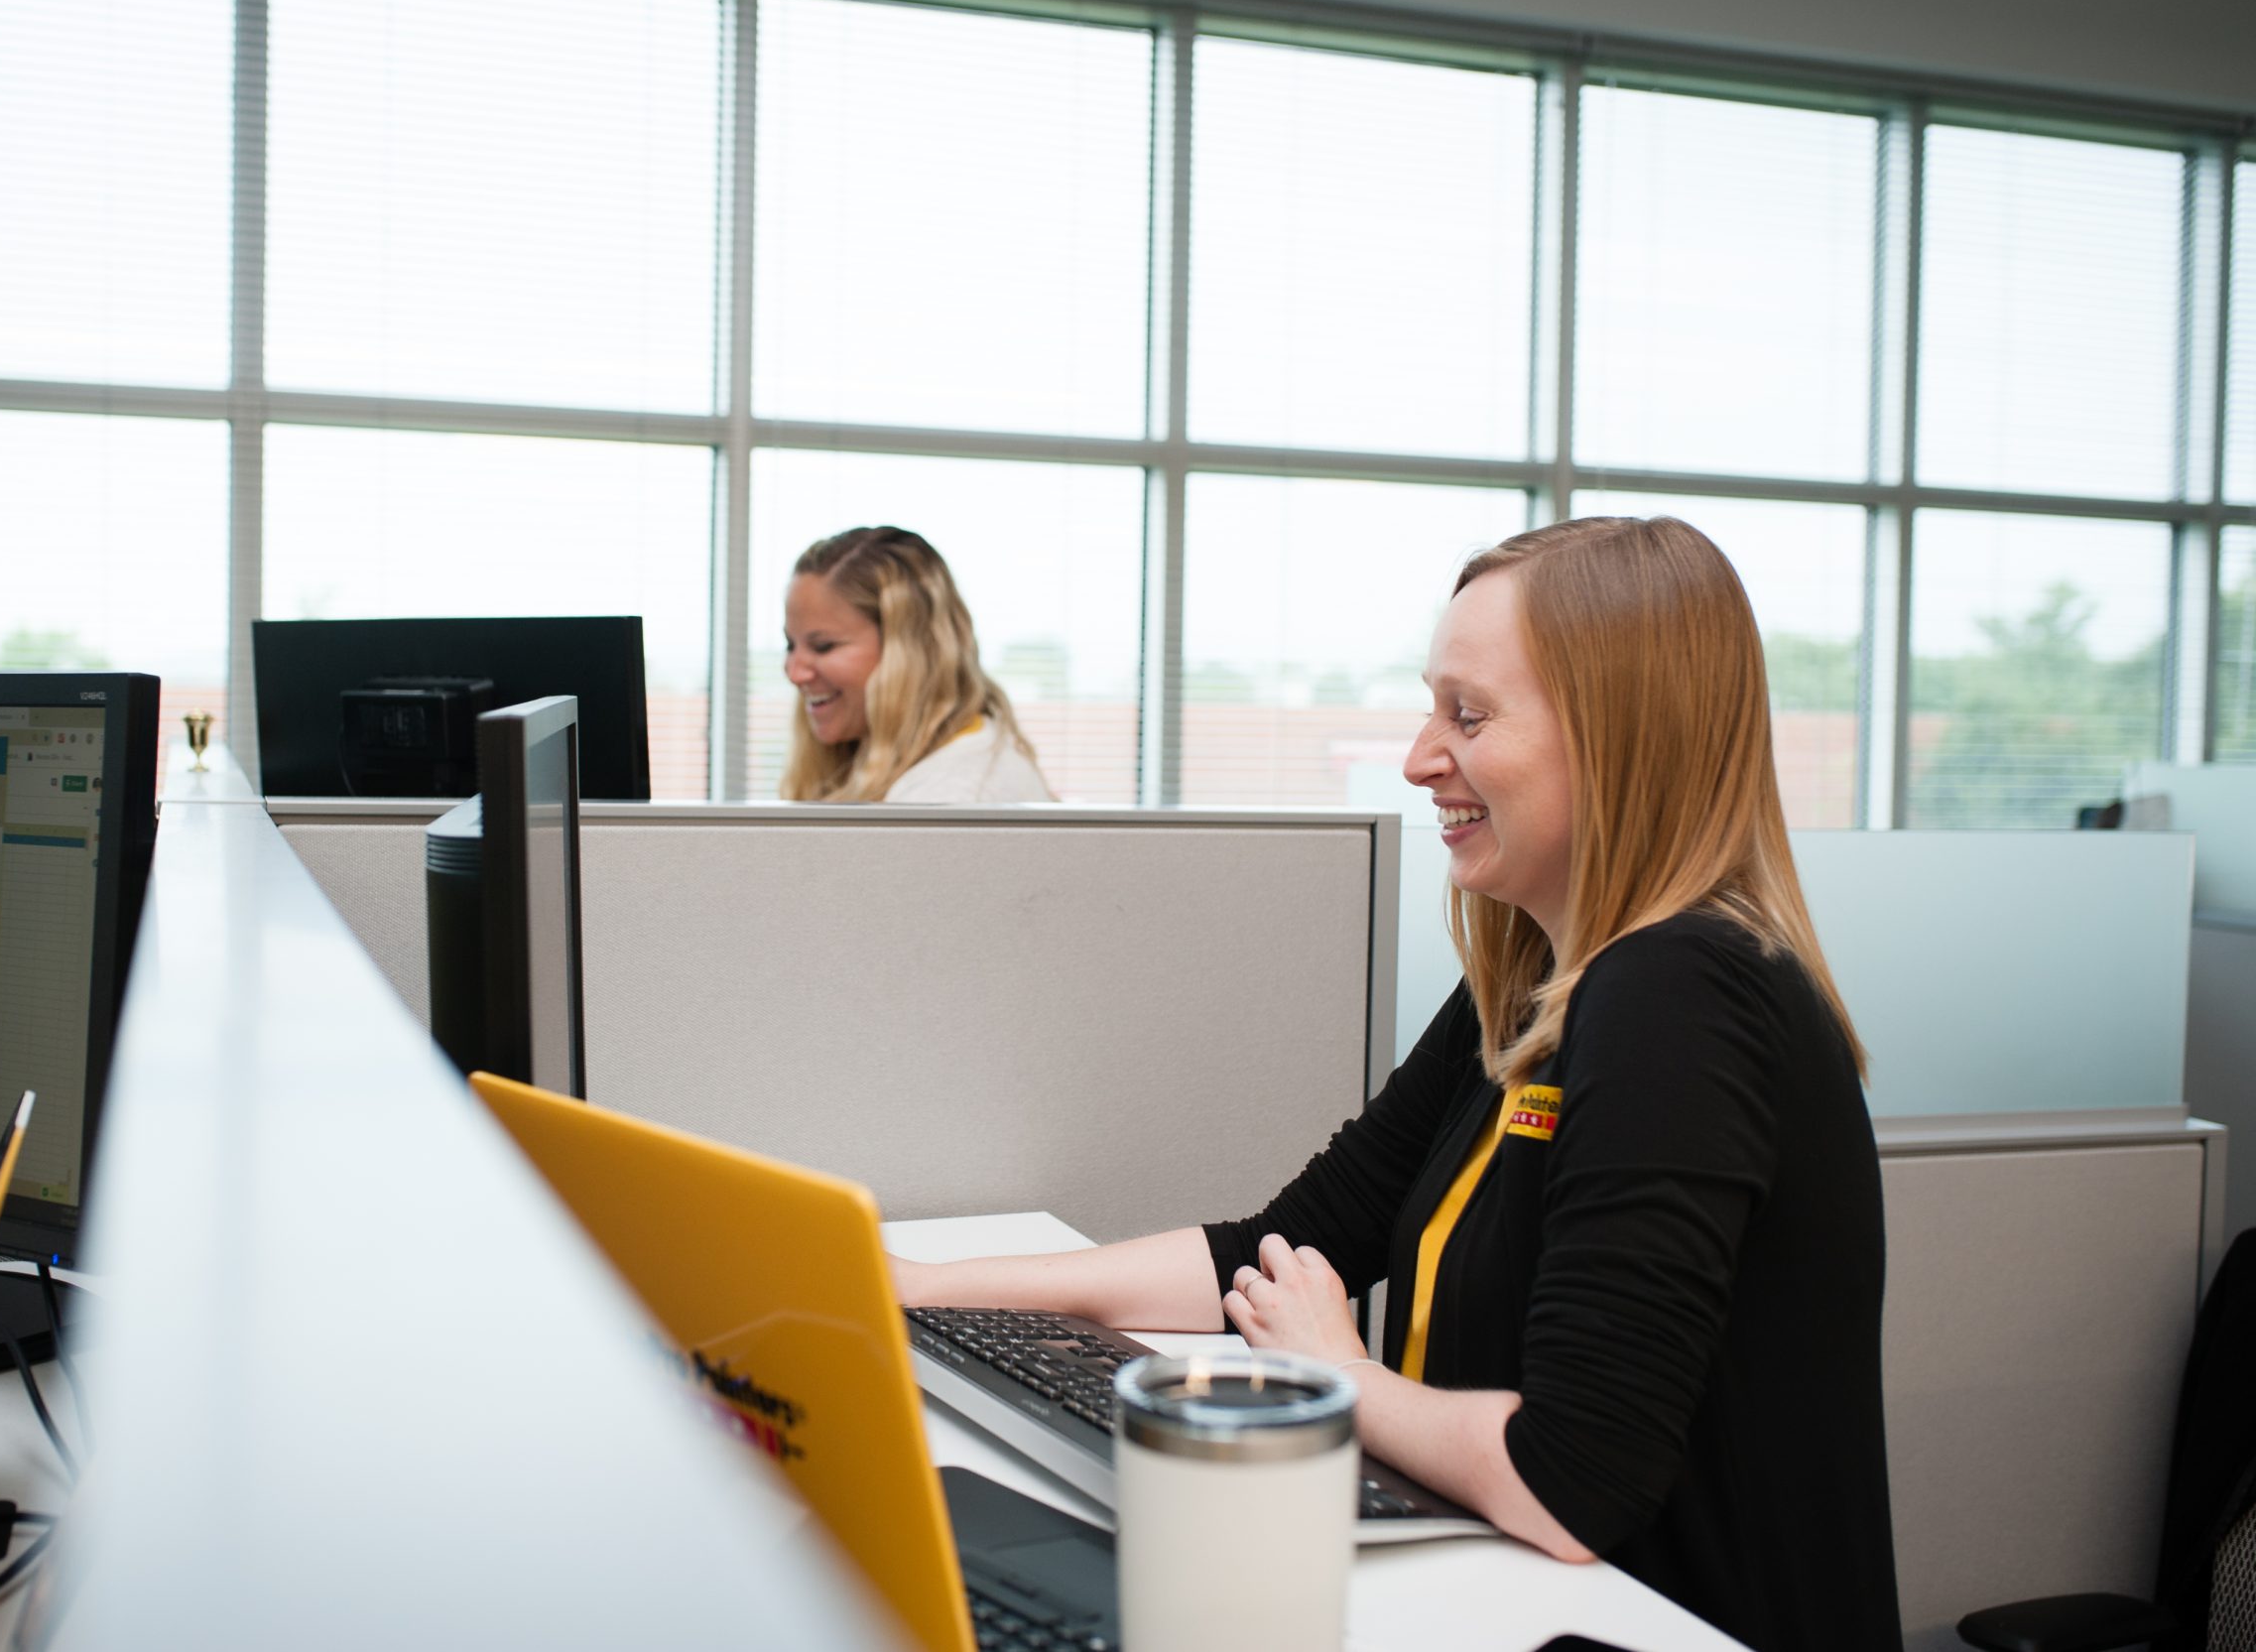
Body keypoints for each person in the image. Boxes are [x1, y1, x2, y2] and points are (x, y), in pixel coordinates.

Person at [892, 516, 1902, 1652]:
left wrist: (1334, 1372)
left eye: (1468, 716)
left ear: (1619, 734)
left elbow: (1572, 1480)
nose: (1420, 758)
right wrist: (927, 1287)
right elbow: (1280, 1247)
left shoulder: (1682, 997)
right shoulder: (1534, 982)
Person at [780, 526, 1056, 805]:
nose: (794, 673)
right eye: (791, 645)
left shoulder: (955, 794)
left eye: (823, 646)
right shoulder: (911, 770)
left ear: (910, 650)